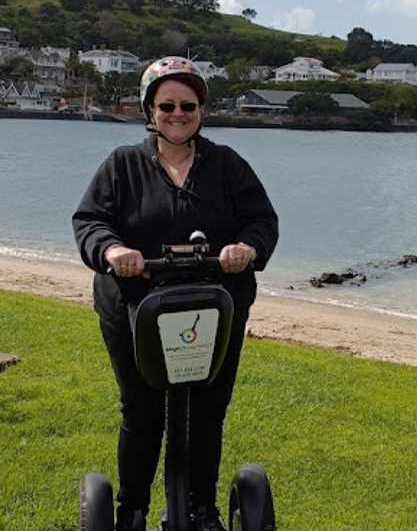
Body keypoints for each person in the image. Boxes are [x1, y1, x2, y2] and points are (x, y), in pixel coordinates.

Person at [72, 56, 279, 531]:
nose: (178, 114)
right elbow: (89, 222)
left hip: (214, 307)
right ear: (150, 110)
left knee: (207, 409)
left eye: (188, 105)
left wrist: (247, 248)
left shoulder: (227, 165)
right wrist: (113, 249)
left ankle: (201, 510)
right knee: (142, 410)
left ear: (201, 109)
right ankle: (133, 510)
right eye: (166, 105)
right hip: (133, 306)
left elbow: (262, 221)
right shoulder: (122, 165)